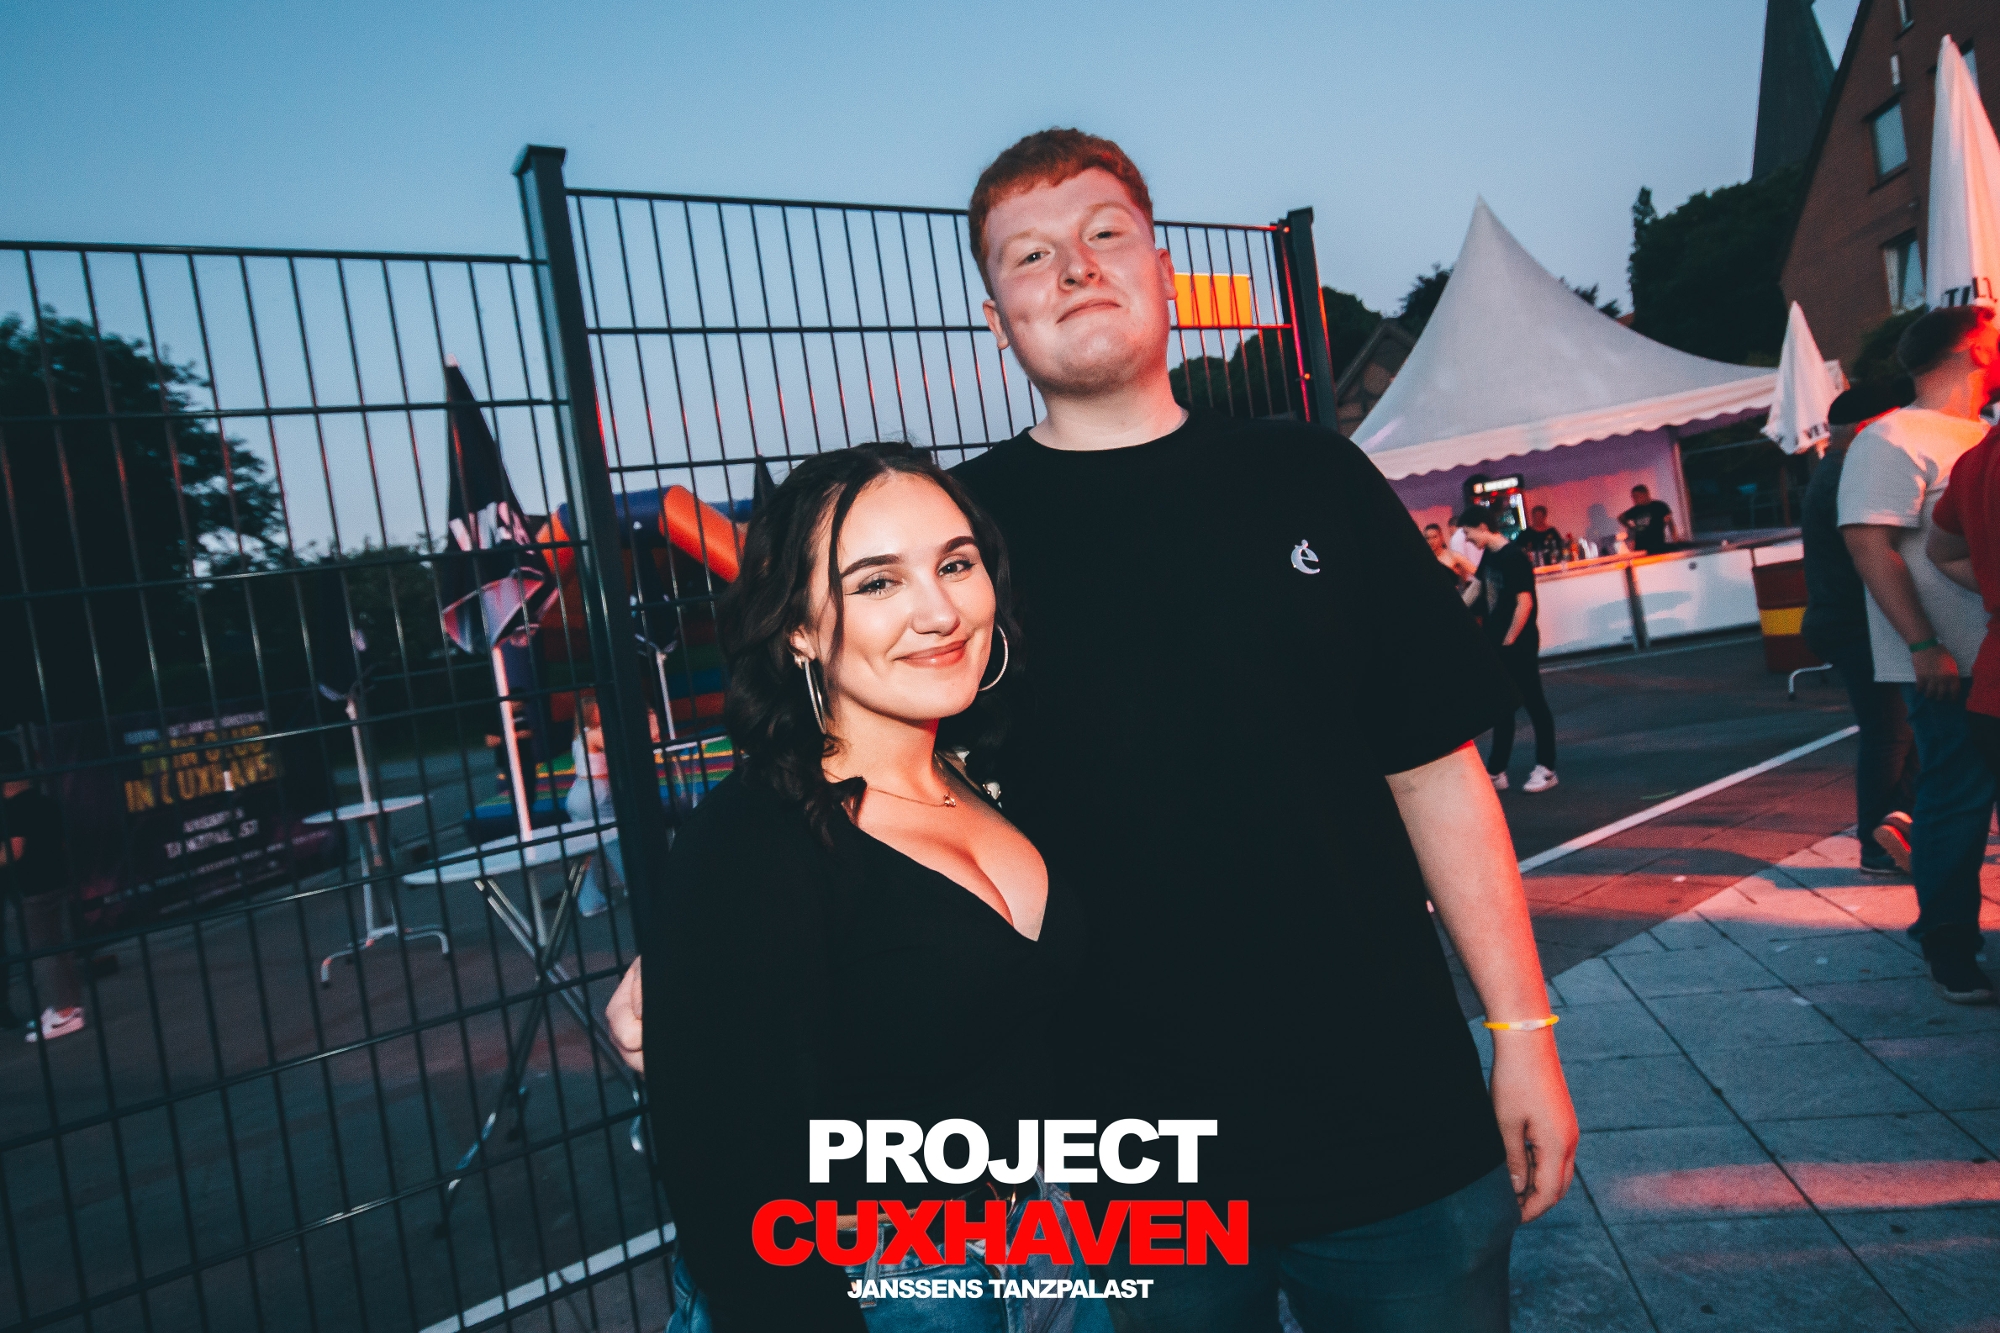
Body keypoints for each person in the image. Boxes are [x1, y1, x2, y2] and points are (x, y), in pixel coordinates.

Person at [614, 128, 1577, 1331]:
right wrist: (707, 954)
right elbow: (851, 764)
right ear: (995, 319)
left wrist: (1522, 1029)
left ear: (1161, 269)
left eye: (1103, 233)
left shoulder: (1312, 478)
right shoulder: (961, 544)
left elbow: (1434, 771)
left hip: (1392, 1121)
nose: (1072, 267)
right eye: (1029, 255)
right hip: (1136, 1164)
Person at [650, 443, 1109, 1331]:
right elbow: (736, 1197)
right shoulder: (752, 843)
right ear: (797, 627)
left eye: (956, 564)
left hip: (1047, 1249)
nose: (939, 611)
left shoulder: (984, 775)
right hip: (880, 1286)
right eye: (877, 582)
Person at [1840, 304, 2000, 1005]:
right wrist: (1924, 645)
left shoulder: (1982, 436)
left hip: (1987, 657)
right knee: (1957, 800)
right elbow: (1869, 547)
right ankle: (1948, 943)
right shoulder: (1892, 437)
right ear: (1971, 349)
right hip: (1948, 664)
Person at [1802, 378, 1920, 876]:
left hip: (1846, 619)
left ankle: (1898, 827)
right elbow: (1873, 553)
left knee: (1905, 729)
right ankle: (1880, 842)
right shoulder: (1848, 476)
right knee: (1892, 732)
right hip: (1855, 622)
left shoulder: (1836, 471)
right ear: (1869, 427)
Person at [1460, 506, 1559, 793]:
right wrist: (1454, 613)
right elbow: (1477, 587)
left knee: (1534, 704)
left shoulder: (1514, 556)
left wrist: (1510, 640)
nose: (1467, 539)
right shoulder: (1491, 555)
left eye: (1468, 532)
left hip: (1518, 644)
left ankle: (1547, 768)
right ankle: (1496, 770)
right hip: (1499, 643)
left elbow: (1524, 603)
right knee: (1503, 706)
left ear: (1482, 526)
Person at [0, 737, 82, 1042]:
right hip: (54, 882)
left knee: (42, 953)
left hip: (31, 889)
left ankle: (64, 1013)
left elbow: (13, 852)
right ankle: (68, 1006)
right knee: (58, 948)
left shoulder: (12, 809)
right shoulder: (44, 802)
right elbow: (61, 844)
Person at [563, 692, 618, 918]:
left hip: (578, 791)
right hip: (595, 791)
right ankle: (639, 885)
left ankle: (589, 902)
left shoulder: (579, 736)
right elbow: (620, 748)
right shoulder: (595, 734)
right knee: (615, 840)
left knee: (584, 849)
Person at [1618, 484, 1677, 554]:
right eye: (1633, 497)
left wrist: (1674, 536)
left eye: (1637, 496)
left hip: (1657, 546)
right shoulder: (1635, 510)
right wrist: (1630, 527)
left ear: (1645, 494)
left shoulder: (1659, 506)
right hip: (1640, 548)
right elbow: (1621, 517)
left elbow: (1670, 522)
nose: (1634, 499)